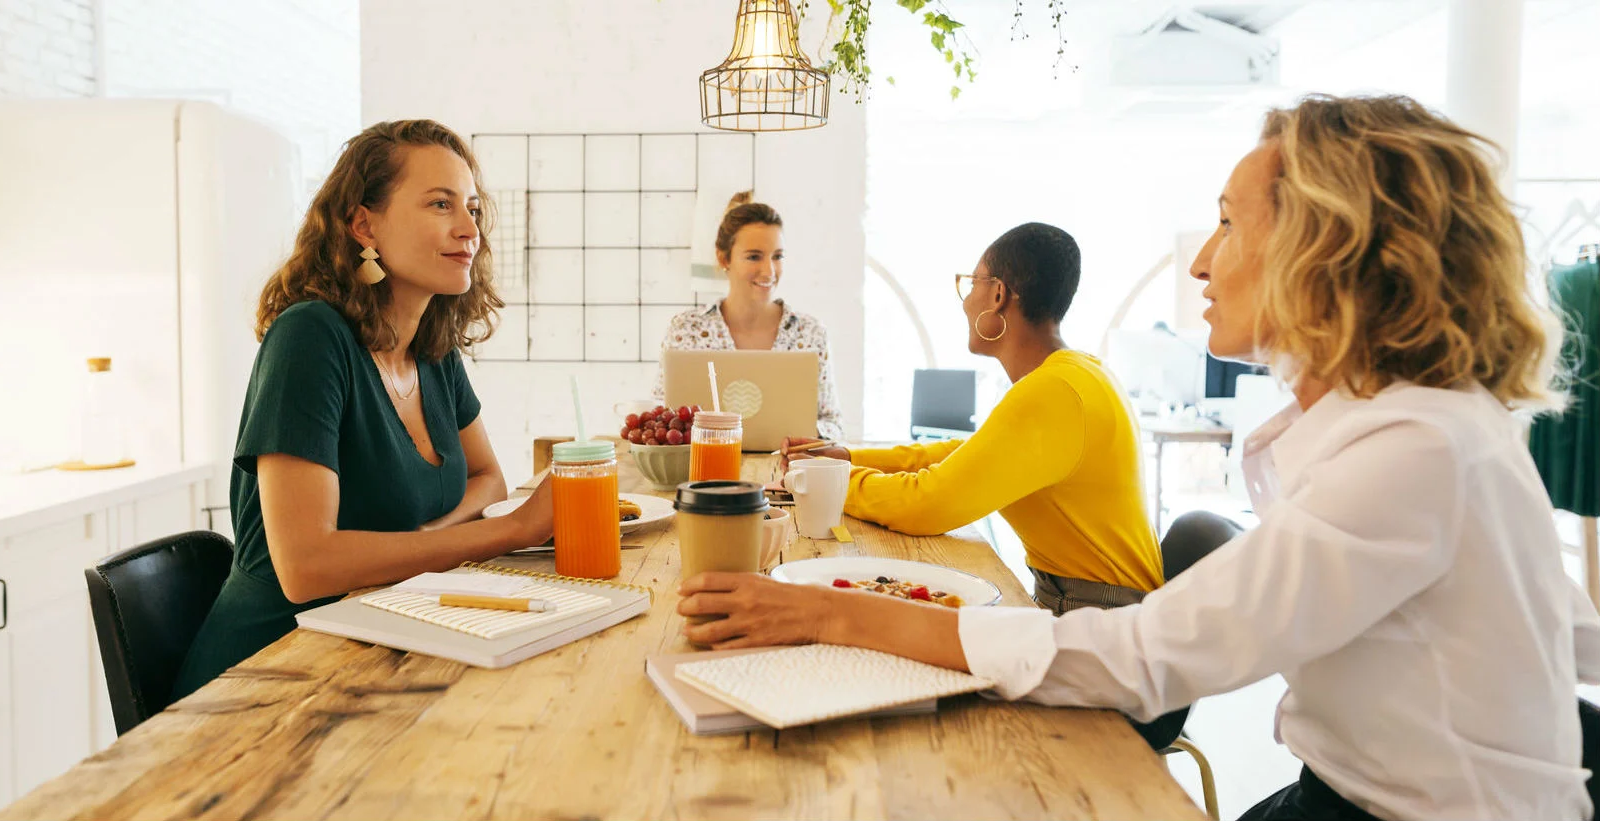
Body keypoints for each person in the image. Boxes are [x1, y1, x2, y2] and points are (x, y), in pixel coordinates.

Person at [683, 94, 1600, 820]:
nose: (1202, 262)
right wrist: (847, 465)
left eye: (1229, 224)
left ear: (1329, 250)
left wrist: (827, 612)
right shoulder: (1427, 428)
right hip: (1334, 790)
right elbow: (1557, 630)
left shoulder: (1417, 447)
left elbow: (1136, 655)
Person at [173, 121, 555, 698]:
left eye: (472, 207)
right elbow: (308, 569)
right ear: (362, 223)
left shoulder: (432, 347)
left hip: (376, 658)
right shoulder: (309, 339)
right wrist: (511, 533)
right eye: (440, 204)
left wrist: (422, 536)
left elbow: (489, 480)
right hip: (266, 679)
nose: (469, 229)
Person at [785, 222, 1161, 610]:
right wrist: (846, 458)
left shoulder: (1054, 391)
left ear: (998, 294)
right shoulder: (1076, 374)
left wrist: (830, 481)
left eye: (972, 283)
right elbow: (960, 455)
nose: (966, 301)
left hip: (1104, 618)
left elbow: (926, 504)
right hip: (1089, 603)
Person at [654, 192, 845, 440]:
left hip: (785, 476)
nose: (769, 271)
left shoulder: (810, 333)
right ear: (724, 258)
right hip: (702, 475)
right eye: (754, 256)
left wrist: (801, 436)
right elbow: (660, 420)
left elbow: (835, 427)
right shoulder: (685, 329)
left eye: (778, 256)